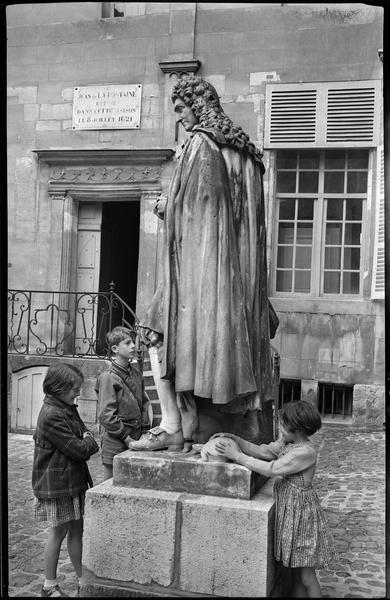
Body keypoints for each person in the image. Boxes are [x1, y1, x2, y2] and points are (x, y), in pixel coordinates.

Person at [131, 74, 277, 453]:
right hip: (236, 279)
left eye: (181, 109)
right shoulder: (245, 151)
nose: (179, 117)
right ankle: (203, 424)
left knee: (153, 328)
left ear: (198, 106)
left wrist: (167, 208)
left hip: (200, 270)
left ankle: (172, 425)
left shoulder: (201, 142)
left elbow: (203, 205)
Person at [213, 400, 338, 598]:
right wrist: (235, 439)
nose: (279, 427)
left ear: (297, 429)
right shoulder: (287, 443)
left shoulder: (305, 452)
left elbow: (272, 469)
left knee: (306, 574)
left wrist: (237, 456)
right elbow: (263, 451)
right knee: (296, 573)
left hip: (302, 518)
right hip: (292, 514)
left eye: (283, 425)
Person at [32, 363, 99, 598]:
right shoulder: (51, 414)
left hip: (73, 481)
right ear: (59, 388)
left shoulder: (67, 407)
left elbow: (85, 436)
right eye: (75, 389)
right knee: (57, 533)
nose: (78, 393)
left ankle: (83, 581)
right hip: (58, 485)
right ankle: (48, 586)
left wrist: (87, 438)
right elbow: (80, 448)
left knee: (77, 532)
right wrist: (88, 439)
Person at [96, 326, 151, 480]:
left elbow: (144, 404)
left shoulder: (136, 373)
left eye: (133, 342)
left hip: (137, 438)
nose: (133, 346)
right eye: (127, 343)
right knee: (109, 484)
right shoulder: (108, 377)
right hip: (116, 441)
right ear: (115, 349)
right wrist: (126, 438)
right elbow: (106, 415)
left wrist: (144, 432)